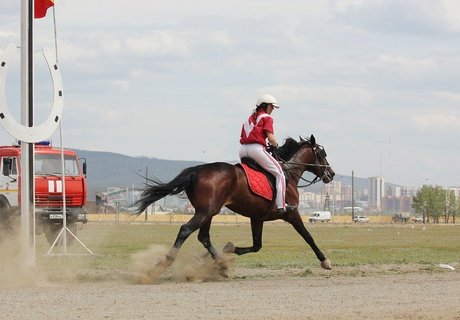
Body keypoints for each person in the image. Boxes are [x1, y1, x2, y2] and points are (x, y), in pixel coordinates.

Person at [239, 94, 294, 214]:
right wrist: (275, 145)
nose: (273, 110)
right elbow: (271, 138)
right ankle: (281, 206)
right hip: (256, 149)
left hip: (243, 150)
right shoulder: (267, 118)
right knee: (280, 174)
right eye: (272, 107)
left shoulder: (249, 119)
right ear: (266, 106)